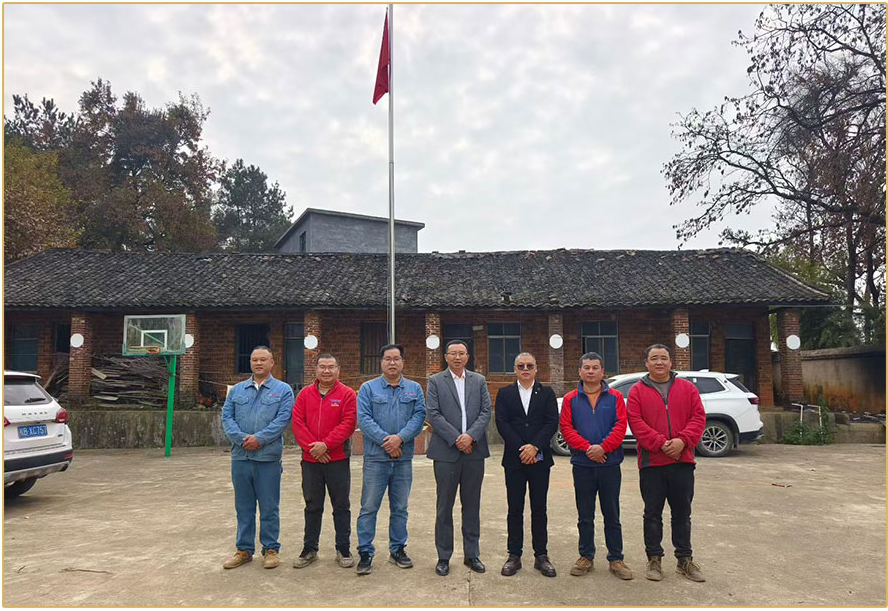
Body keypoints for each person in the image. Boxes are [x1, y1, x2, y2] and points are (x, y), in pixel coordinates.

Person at [626, 344, 706, 582]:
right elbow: (636, 422)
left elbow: (698, 418)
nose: (659, 362)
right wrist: (661, 443)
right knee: (652, 514)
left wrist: (682, 441)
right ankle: (654, 558)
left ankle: (684, 559)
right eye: (654, 358)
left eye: (663, 358)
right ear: (646, 363)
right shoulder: (637, 391)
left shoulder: (688, 389)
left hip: (683, 461)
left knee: (682, 513)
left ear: (671, 362)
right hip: (652, 463)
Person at [559, 351, 633, 580]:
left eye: (595, 367)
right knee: (585, 514)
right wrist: (588, 449)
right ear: (579, 371)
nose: (590, 371)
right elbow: (566, 428)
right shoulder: (570, 399)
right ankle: (586, 556)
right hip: (582, 465)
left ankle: (616, 558)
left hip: (610, 465)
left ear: (603, 372)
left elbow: (620, 425)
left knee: (612, 513)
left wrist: (604, 448)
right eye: (586, 368)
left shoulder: (615, 397)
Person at [355, 344, 426, 575]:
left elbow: (419, 417)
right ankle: (365, 552)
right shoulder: (368, 388)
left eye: (396, 358)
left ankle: (398, 550)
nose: (392, 363)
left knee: (400, 507)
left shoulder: (414, 389)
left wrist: (400, 439)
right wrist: (387, 442)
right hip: (376, 459)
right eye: (388, 358)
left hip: (403, 459)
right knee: (369, 507)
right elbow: (364, 419)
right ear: (381, 362)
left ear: (403, 362)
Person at [220, 346, 294, 569]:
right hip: (241, 457)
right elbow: (227, 418)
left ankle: (270, 549)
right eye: (254, 360)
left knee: (269, 506)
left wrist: (259, 439)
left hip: (267, 459)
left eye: (263, 359)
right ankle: (243, 550)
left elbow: (282, 420)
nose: (258, 363)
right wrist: (242, 439)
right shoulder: (237, 390)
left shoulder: (283, 390)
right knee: (243, 507)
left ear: (272, 363)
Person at [426, 340, 492, 576]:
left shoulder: (479, 380)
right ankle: (444, 556)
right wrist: (456, 439)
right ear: (445, 357)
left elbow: (486, 411)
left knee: (472, 505)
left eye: (461, 353)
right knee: (444, 506)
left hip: (474, 452)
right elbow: (433, 414)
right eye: (453, 353)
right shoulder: (436, 381)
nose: (457, 357)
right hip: (446, 453)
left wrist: (470, 437)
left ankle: (472, 554)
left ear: (467, 356)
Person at [494, 352, 559, 577]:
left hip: (540, 460)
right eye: (520, 365)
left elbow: (551, 422)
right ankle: (514, 555)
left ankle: (541, 555)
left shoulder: (547, 393)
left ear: (536, 369)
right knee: (515, 508)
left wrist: (535, 447)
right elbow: (502, 423)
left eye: (529, 365)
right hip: (515, 460)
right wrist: (523, 448)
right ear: (515, 369)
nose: (525, 369)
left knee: (539, 508)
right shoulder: (505, 394)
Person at [291, 353, 357, 569]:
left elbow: (348, 424)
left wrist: (326, 445)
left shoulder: (347, 394)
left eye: (331, 367)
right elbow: (297, 423)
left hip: (337, 459)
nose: (326, 371)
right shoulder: (304, 394)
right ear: (316, 369)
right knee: (312, 505)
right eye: (322, 367)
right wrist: (315, 449)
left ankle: (343, 548)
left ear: (338, 369)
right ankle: (309, 549)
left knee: (341, 505)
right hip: (310, 461)